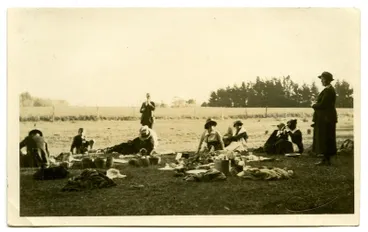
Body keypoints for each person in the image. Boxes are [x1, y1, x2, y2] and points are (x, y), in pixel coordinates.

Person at [312, 71, 338, 165]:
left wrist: (314, 105)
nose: (321, 81)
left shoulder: (328, 91)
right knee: (325, 138)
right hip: (326, 118)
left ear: (327, 80)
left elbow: (323, 104)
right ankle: (325, 159)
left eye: (323, 79)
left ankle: (326, 159)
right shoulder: (328, 90)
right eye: (321, 79)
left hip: (327, 119)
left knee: (325, 138)